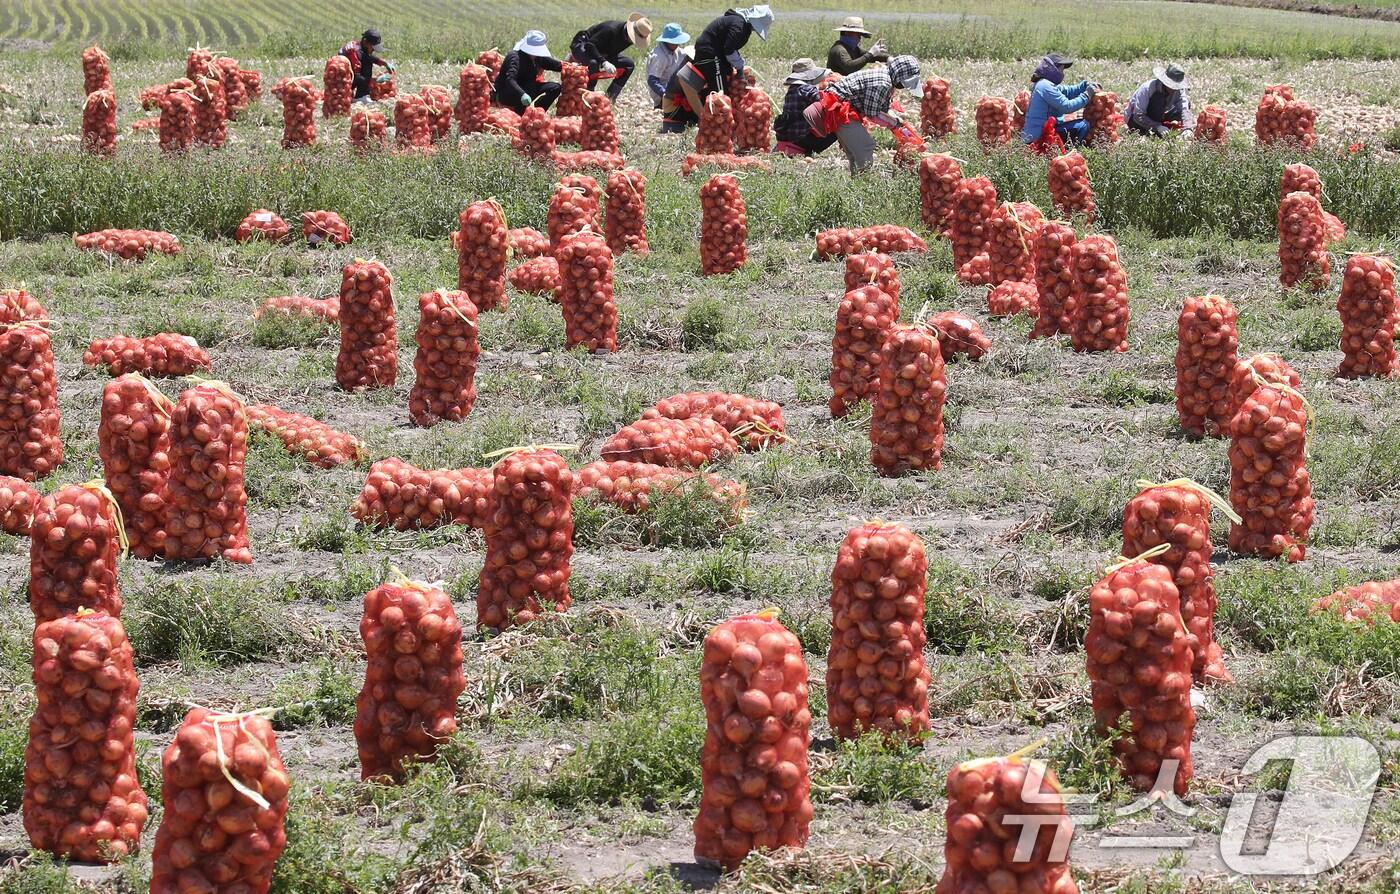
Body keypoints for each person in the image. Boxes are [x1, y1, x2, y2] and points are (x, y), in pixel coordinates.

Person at [664, 5, 773, 128]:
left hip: (710, 53)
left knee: (720, 86)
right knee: (721, 94)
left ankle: (719, 123)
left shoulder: (737, 22)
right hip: (710, 54)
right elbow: (729, 49)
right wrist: (739, 67)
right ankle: (721, 126)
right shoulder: (739, 25)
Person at [811, 55, 924, 174]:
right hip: (839, 109)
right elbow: (872, 114)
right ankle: (863, 179)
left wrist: (896, 119)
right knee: (865, 146)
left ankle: (857, 180)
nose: (904, 86)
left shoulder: (886, 77)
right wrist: (894, 123)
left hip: (839, 108)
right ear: (899, 75)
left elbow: (882, 107)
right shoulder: (883, 83)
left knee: (854, 150)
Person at [1020, 53, 1096, 148]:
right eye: (1062, 69)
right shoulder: (1045, 86)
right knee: (1082, 125)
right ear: (1053, 69)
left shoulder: (1044, 84)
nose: (1063, 73)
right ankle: (1071, 151)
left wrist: (1084, 85)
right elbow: (1067, 107)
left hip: (1040, 133)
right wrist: (1087, 95)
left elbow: (1068, 91)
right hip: (1039, 137)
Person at [569, 14, 653, 101]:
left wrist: (605, 59)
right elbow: (590, 45)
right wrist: (604, 62)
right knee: (594, 63)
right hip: (583, 44)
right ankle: (588, 95)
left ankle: (609, 98)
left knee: (629, 65)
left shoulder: (629, 38)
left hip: (604, 51)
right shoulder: (611, 29)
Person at [774, 59, 837, 156]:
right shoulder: (807, 90)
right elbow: (825, 102)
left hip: (790, 136)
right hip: (802, 138)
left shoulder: (792, 90)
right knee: (837, 127)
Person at [496, 30, 563, 114]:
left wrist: (570, 67)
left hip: (529, 88)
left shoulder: (537, 57)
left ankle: (537, 114)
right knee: (529, 89)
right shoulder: (515, 57)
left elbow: (554, 65)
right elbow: (510, 80)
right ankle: (521, 114)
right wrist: (522, 94)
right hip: (510, 92)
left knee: (555, 88)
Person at [1125, 63, 1195, 137]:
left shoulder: (1178, 90)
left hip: (1160, 114)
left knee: (1187, 103)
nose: (1174, 89)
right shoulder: (1147, 89)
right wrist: (1157, 126)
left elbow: (1184, 109)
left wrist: (1187, 128)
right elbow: (1138, 115)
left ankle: (1160, 125)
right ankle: (1153, 128)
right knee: (1159, 100)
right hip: (1135, 119)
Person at [645, 23, 692, 108]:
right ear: (666, 41)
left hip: (673, 86)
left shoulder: (676, 50)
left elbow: (687, 55)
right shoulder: (659, 56)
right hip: (661, 94)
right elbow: (652, 80)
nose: (677, 44)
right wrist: (667, 95)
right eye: (674, 42)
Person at [339, 28, 393, 102]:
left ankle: (355, 93)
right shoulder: (355, 53)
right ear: (365, 42)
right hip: (340, 80)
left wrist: (385, 63)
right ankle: (360, 96)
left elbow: (368, 57)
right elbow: (358, 76)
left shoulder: (358, 46)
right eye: (373, 48)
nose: (373, 50)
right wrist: (375, 80)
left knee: (367, 62)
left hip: (344, 76)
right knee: (367, 65)